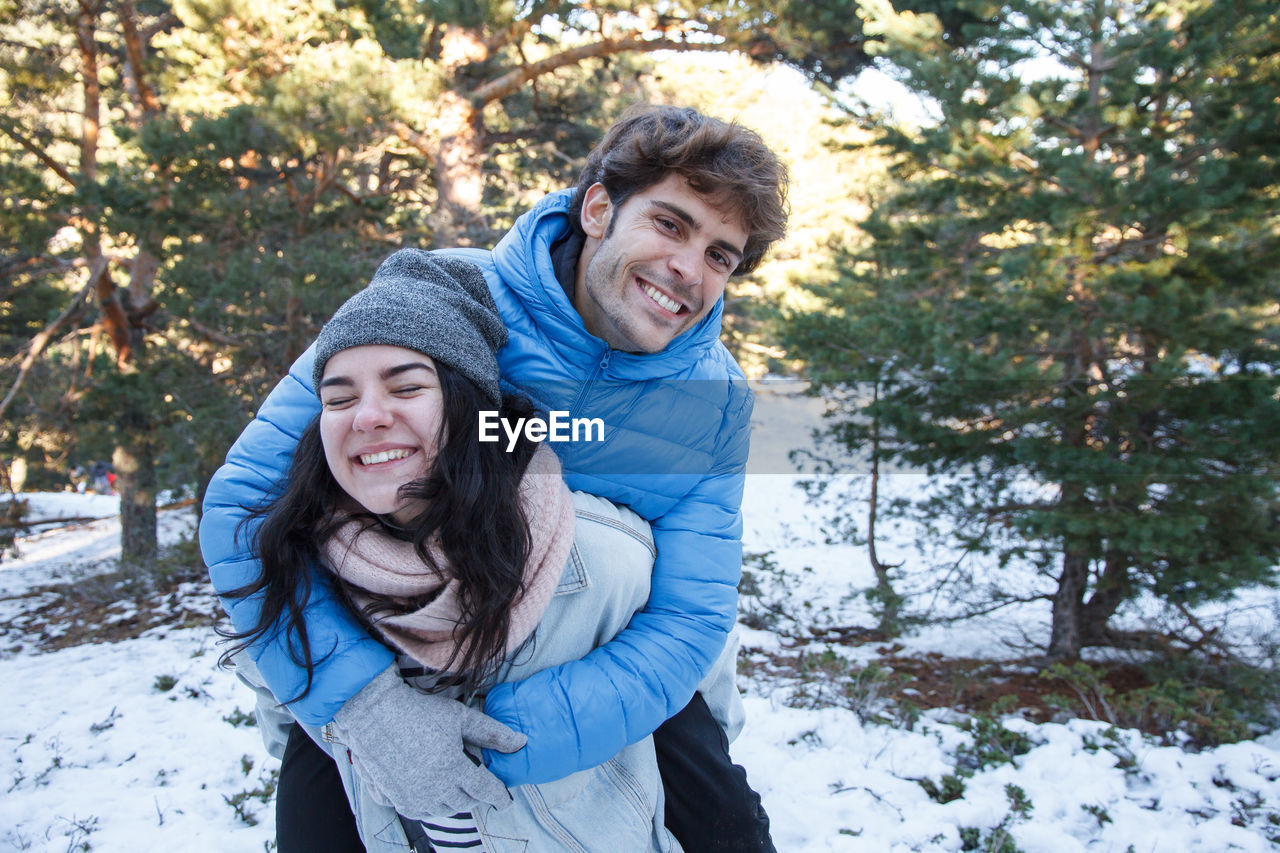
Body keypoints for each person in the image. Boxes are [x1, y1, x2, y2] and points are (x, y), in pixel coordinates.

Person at [201, 104, 787, 851]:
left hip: (596, 656)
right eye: (670, 224)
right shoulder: (442, 297)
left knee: (733, 835)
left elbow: (692, 614)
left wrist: (507, 735)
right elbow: (245, 506)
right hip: (391, 645)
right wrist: (368, 705)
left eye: (720, 255)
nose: (688, 269)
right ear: (600, 207)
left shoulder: (713, 399)